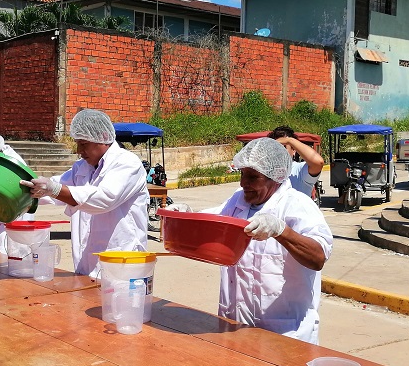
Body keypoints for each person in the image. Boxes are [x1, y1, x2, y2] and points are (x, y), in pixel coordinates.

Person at [165, 138, 333, 343]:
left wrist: (281, 231)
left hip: (285, 334)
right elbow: (213, 221)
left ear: (277, 176)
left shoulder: (298, 206)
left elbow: (318, 257)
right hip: (236, 327)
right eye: (242, 174)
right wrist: (186, 215)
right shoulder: (238, 201)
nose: (243, 183)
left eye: (253, 177)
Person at [21, 109, 149, 277]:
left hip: (122, 263)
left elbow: (104, 199)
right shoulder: (81, 167)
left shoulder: (127, 163)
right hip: (87, 265)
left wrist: (54, 190)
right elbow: (57, 189)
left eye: (83, 144)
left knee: (119, 294)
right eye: (77, 143)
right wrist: (28, 191)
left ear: (103, 137)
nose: (78, 150)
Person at [267, 125, 324, 197]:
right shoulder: (265, 171)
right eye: (275, 148)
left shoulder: (300, 170)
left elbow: (318, 162)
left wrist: (289, 140)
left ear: (293, 150)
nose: (279, 151)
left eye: (283, 147)